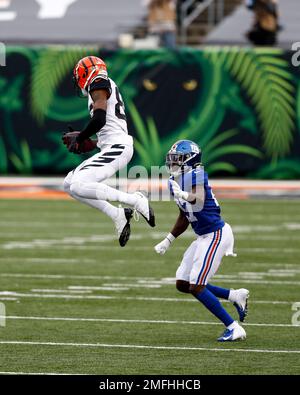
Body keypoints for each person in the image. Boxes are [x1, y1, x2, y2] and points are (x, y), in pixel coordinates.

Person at [154, 140, 249, 342]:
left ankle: (233, 327)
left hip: (216, 234)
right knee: (183, 283)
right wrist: (168, 240)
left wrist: (185, 194)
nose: (172, 163)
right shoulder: (174, 181)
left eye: (177, 159)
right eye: (171, 159)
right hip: (203, 236)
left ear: (190, 160)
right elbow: (184, 216)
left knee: (197, 286)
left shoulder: (196, 174)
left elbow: (198, 199)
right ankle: (234, 296)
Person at [63, 56, 155, 247]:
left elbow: (99, 120)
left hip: (118, 147)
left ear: (85, 72)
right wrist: (91, 143)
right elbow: (109, 128)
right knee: (69, 184)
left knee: (79, 184)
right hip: (114, 146)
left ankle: (136, 200)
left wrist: (80, 137)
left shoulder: (98, 82)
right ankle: (117, 214)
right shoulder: (103, 84)